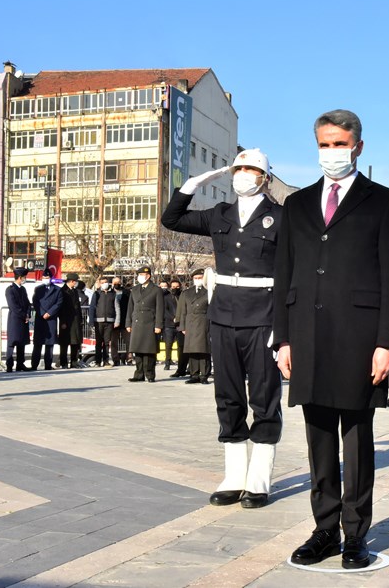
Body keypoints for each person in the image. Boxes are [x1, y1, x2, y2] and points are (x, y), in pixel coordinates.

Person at [274, 109, 389, 569]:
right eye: (324, 143)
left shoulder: (384, 202)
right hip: (307, 335)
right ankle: (324, 529)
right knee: (317, 439)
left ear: (358, 147)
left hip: (359, 338)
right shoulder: (297, 204)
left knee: (356, 436)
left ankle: (355, 534)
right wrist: (283, 339)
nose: (332, 152)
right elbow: (283, 275)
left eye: (340, 143)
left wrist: (387, 341)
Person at [161, 148, 282, 510]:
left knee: (264, 397)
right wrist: (192, 185)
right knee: (228, 396)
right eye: (238, 168)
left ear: (265, 177)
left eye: (251, 169)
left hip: (263, 315)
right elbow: (171, 219)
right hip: (224, 313)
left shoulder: (281, 217)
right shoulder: (219, 214)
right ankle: (234, 477)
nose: (243, 174)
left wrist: (285, 325)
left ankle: (258, 481)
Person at [126, 265, 163, 383]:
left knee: (149, 350)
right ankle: (139, 374)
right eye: (140, 275)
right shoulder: (135, 289)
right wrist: (128, 323)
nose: (141, 277)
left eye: (143, 275)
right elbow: (130, 308)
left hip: (149, 323)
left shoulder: (156, 290)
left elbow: (159, 309)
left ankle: (150, 374)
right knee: (137, 349)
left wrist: (158, 325)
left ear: (149, 276)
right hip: (136, 323)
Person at [177, 268, 212, 384]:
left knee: (204, 350)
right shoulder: (186, 293)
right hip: (190, 323)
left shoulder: (209, 291)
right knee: (192, 350)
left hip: (204, 323)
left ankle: (204, 375)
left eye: (200, 278)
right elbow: (182, 311)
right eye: (195, 278)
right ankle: (194, 374)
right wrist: (182, 327)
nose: (197, 280)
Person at [31, 277, 63, 370]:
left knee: (50, 344)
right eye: (44, 277)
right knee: (38, 343)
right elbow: (35, 302)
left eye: (47, 277)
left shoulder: (57, 289)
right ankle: (34, 365)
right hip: (40, 318)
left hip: (51, 319)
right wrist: (42, 313)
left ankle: (48, 365)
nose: (46, 279)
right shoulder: (38, 289)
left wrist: (49, 313)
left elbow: (58, 303)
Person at [6, 269, 32, 372]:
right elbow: (13, 306)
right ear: (20, 277)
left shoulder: (23, 289)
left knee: (22, 342)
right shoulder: (10, 289)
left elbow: (28, 303)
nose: (25, 279)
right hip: (15, 319)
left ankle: (20, 364)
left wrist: (28, 314)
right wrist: (23, 315)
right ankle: (9, 364)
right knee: (12, 342)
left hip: (23, 319)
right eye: (24, 277)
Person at [58, 274, 85, 369]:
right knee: (64, 343)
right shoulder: (63, 291)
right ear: (72, 281)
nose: (76, 283)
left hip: (75, 320)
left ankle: (74, 361)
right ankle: (63, 362)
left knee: (75, 342)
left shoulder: (75, 291)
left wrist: (80, 319)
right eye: (75, 281)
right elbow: (61, 308)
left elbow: (78, 307)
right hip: (66, 320)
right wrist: (63, 322)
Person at [89, 276, 117, 367]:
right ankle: (97, 361)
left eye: (105, 282)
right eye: (102, 282)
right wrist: (91, 321)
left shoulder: (113, 294)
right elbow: (92, 307)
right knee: (98, 342)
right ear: (100, 284)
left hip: (109, 321)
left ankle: (106, 360)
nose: (104, 284)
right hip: (98, 321)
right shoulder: (96, 294)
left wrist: (116, 320)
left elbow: (116, 308)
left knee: (106, 342)